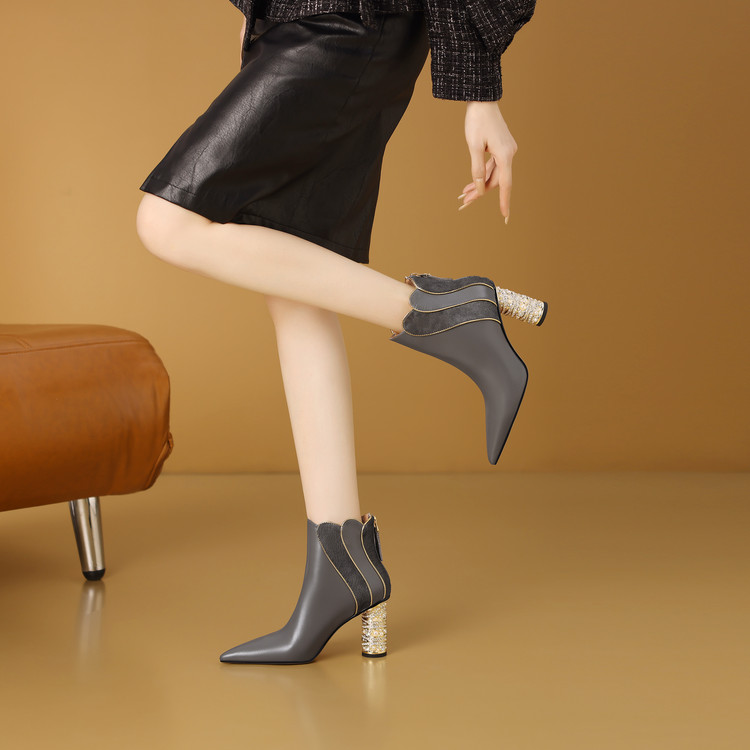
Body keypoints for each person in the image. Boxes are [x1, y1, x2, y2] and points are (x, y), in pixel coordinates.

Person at [135, 0, 544, 664]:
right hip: (308, 22)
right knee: (295, 286)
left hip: (350, 24)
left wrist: (480, 93)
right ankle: (341, 566)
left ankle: (448, 317)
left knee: (166, 222)